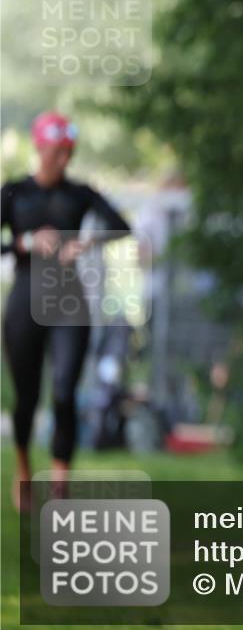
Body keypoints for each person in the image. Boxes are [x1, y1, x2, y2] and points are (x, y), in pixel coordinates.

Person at [1, 111, 131, 511]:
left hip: (67, 302)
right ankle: (23, 467)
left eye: (68, 153)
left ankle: (60, 485)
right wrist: (24, 243)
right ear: (40, 148)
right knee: (27, 397)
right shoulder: (14, 193)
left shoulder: (80, 194)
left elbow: (120, 226)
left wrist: (85, 243)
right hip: (25, 298)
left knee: (63, 392)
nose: (62, 160)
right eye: (56, 151)